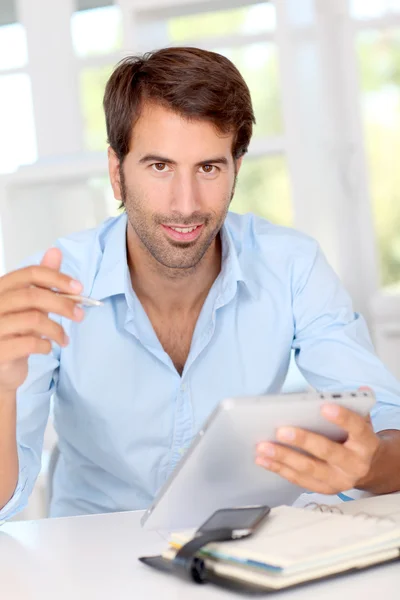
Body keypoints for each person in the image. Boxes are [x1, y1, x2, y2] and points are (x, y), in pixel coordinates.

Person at [0, 47, 399, 521]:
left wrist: (365, 464)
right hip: (94, 556)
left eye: (208, 167)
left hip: (249, 548)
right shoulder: (50, 287)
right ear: (116, 172)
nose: (185, 204)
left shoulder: (292, 265)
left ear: (236, 169)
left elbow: (388, 429)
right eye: (159, 166)